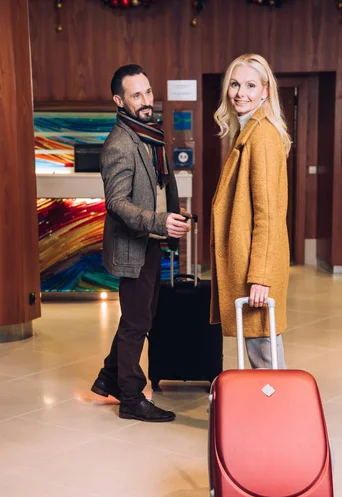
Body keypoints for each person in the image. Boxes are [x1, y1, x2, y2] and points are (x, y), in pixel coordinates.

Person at [91, 64, 190, 421]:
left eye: (148, 92)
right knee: (136, 323)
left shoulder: (149, 135)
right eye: (137, 95)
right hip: (133, 245)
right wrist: (161, 222)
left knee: (140, 316)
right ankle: (131, 398)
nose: (146, 100)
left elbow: (157, 189)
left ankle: (109, 377)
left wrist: (172, 218)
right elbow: (116, 204)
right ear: (119, 100)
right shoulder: (119, 144)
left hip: (150, 241)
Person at [210, 54, 291, 369]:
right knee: (260, 353)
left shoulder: (262, 137)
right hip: (249, 265)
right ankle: (269, 416)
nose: (240, 93)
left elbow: (268, 216)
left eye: (250, 85)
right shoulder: (248, 131)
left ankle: (280, 417)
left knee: (265, 357)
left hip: (254, 270)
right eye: (234, 84)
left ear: (265, 91)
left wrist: (261, 277)